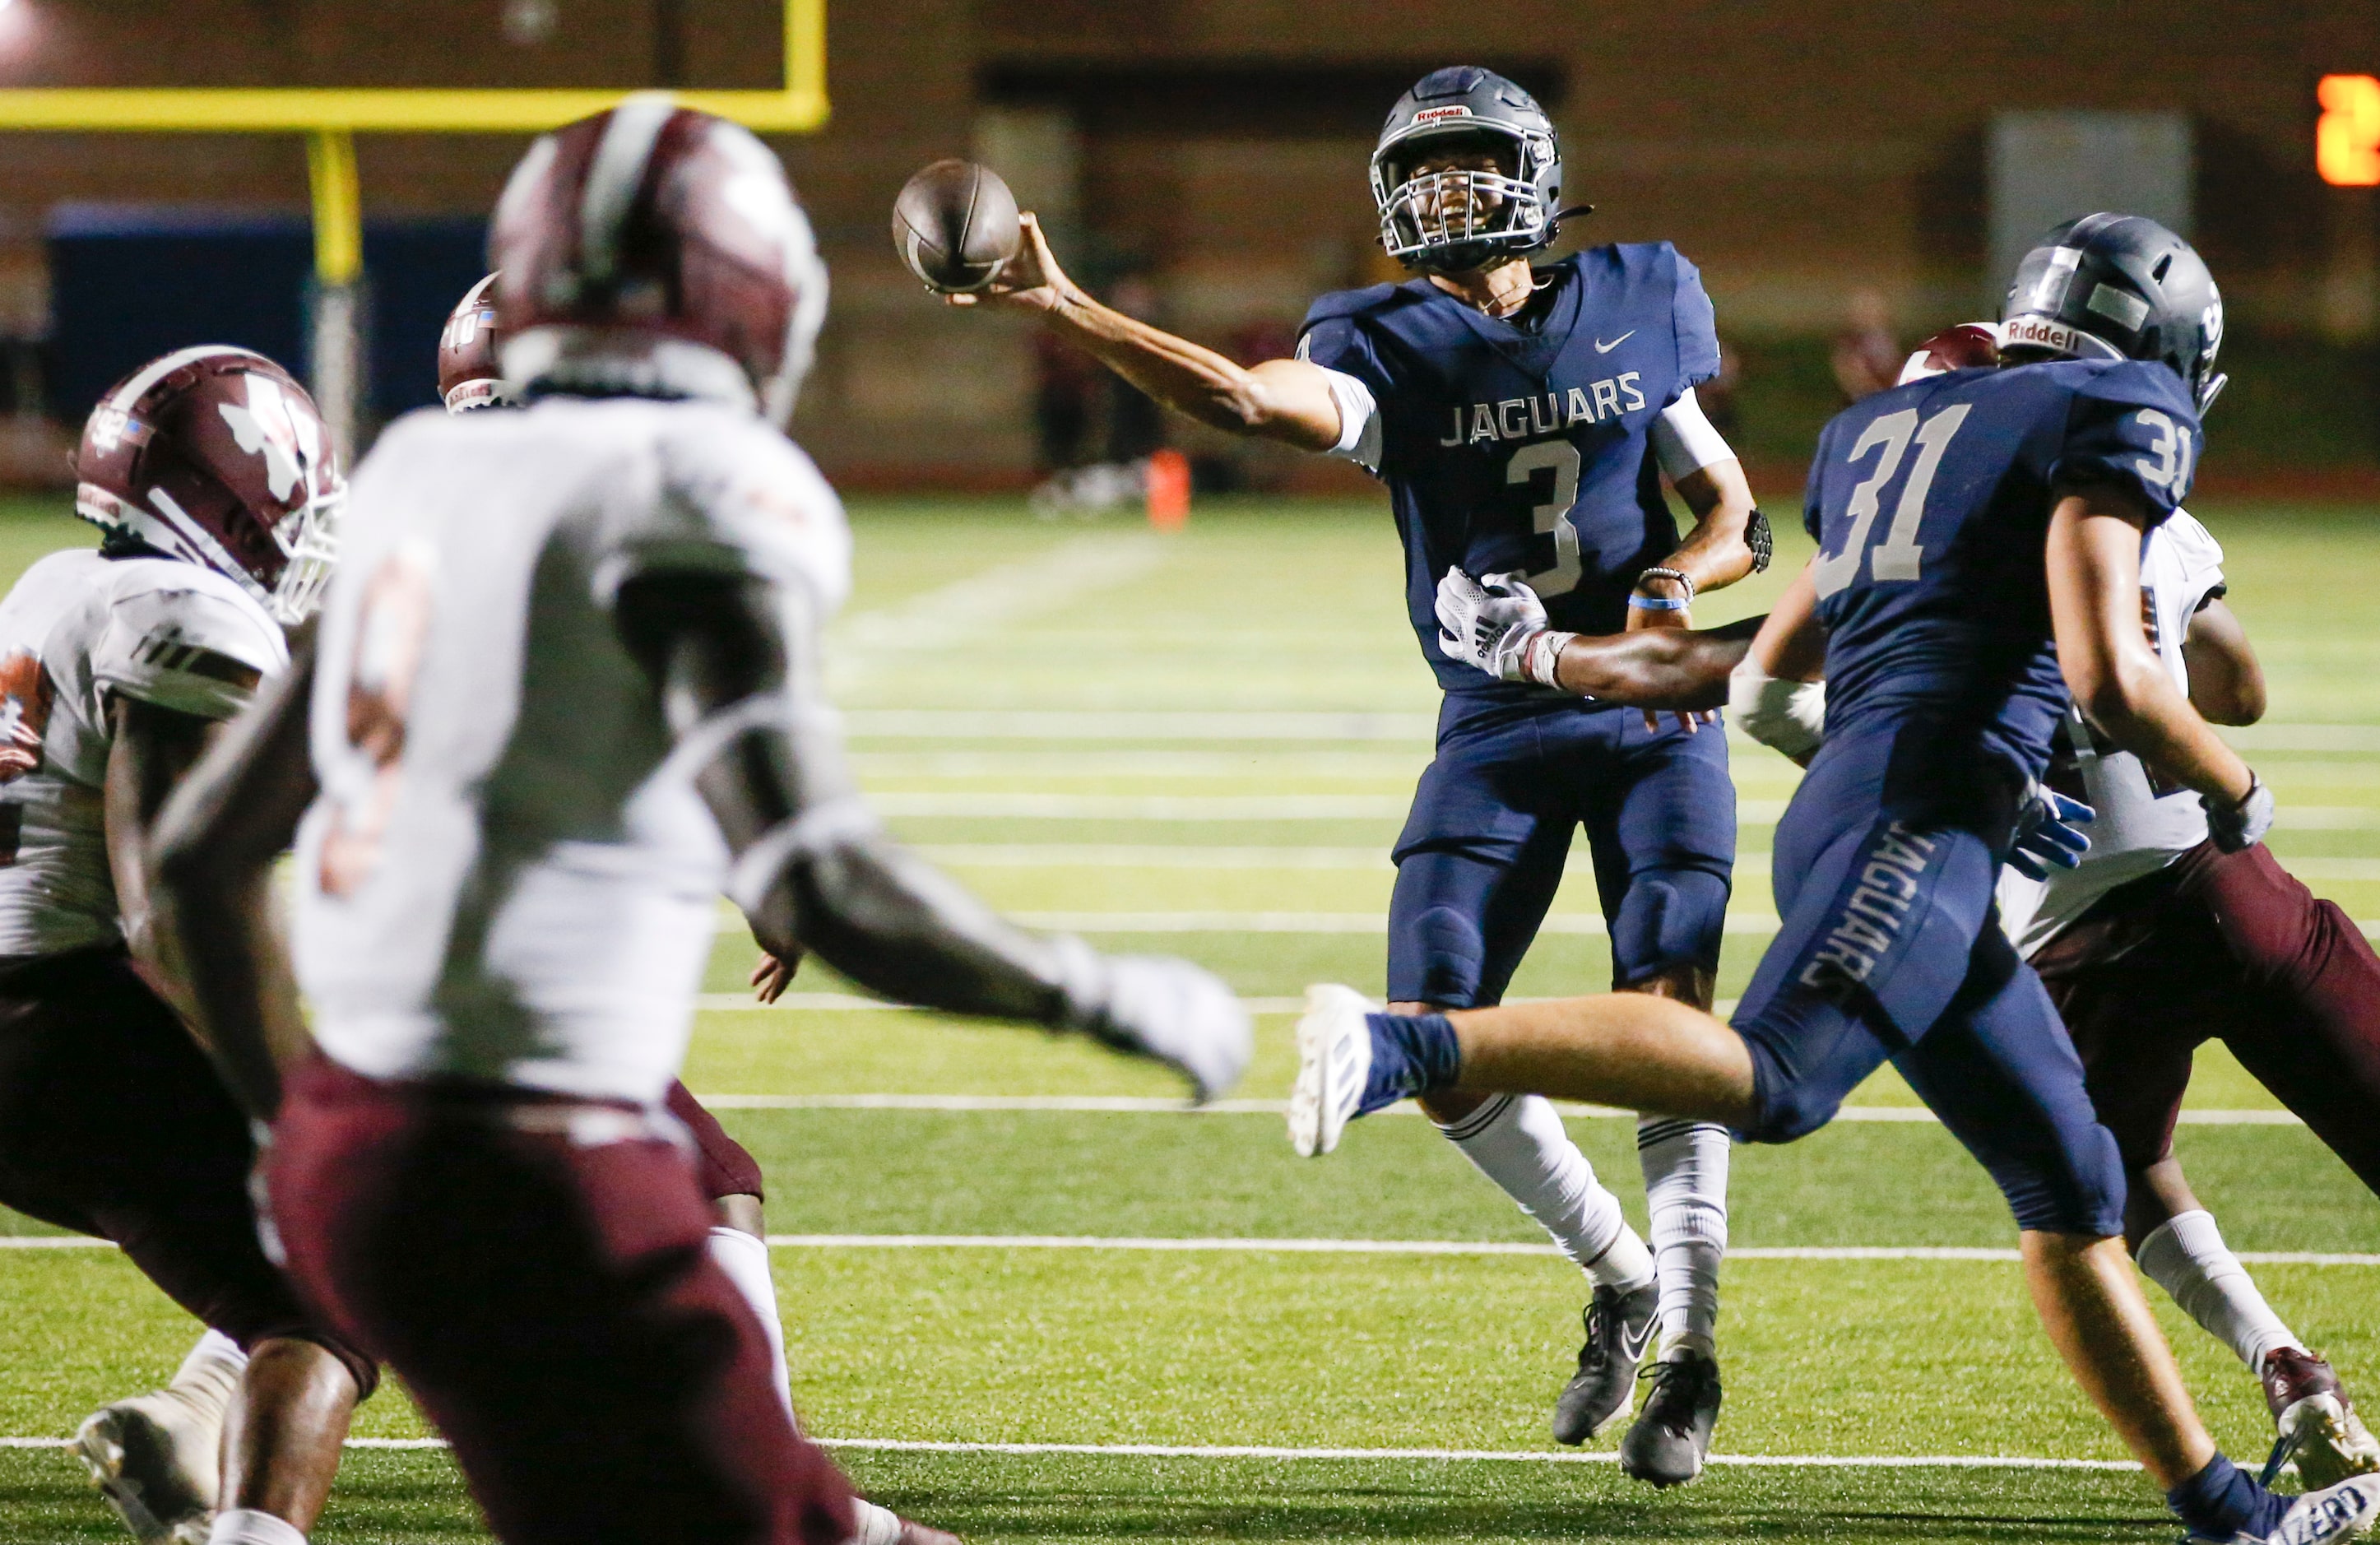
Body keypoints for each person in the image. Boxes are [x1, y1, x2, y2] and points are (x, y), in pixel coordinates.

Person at [145, 97, 1250, 1545]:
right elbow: (829, 875)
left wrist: (294, 1130)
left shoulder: (417, 471)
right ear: (749, 287)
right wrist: (1103, 990)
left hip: (353, 1148)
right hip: (545, 1165)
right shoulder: (700, 487)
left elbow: (201, 854)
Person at [1291, 214, 2380, 1543]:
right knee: (1778, 1079)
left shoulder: (1873, 434)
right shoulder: (2112, 403)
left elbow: (1761, 684)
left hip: (1884, 801)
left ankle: (2227, 1515)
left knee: (2071, 1184)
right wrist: (2225, 784)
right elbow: (2119, 679)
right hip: (1922, 819)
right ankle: (1413, 1043)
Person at [953, 63, 1765, 1480]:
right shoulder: (1378, 336)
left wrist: (1670, 595)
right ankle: (1623, 1276)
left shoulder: (1640, 291)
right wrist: (1070, 310)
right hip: (1495, 722)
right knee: (1436, 1037)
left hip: (1648, 717)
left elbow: (1735, 510)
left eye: (1470, 166)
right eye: (1422, 172)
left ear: (1531, 173)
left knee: (1666, 1017)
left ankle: (1689, 1345)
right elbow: (1251, 404)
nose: (1445, 196)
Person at [1890, 322, 2379, 1492]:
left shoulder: (1896, 571)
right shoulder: (2121, 499)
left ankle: (2282, 1362)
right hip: (2218, 884)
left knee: (2121, 1172)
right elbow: (2237, 686)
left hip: (2065, 939)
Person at [0, 345, 368, 1545]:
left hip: (31, 999)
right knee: (325, 1290)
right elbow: (171, 897)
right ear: (232, 491)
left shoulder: (56, 584)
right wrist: (286, 1091)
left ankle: (175, 1449)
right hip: (59, 1018)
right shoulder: (186, 616)